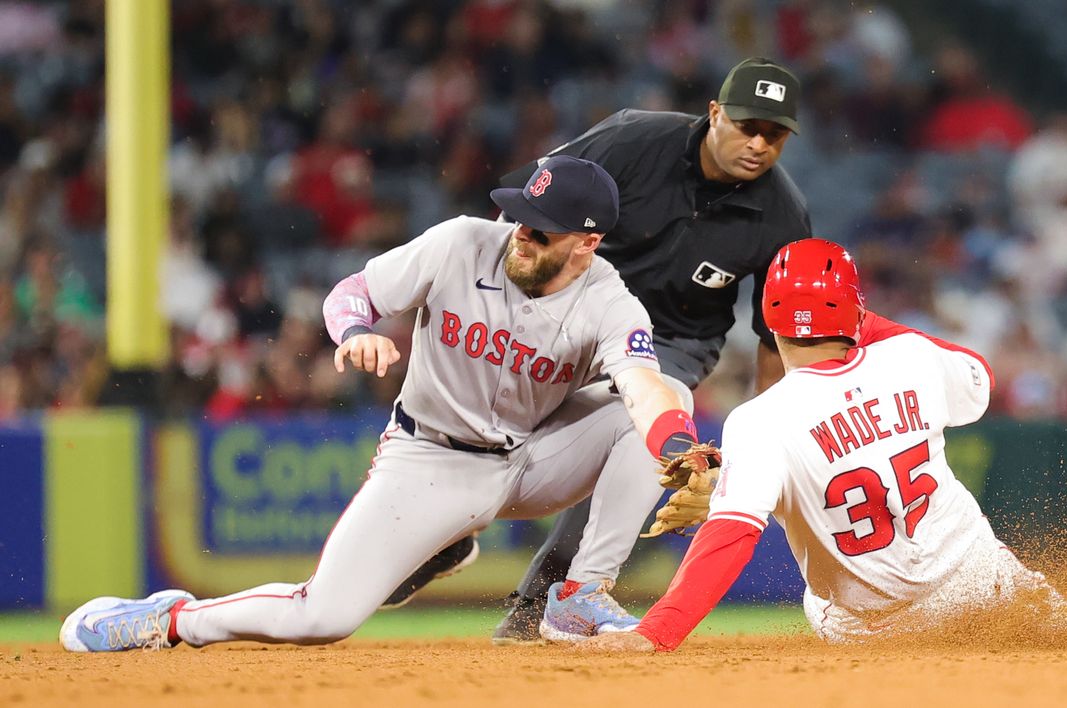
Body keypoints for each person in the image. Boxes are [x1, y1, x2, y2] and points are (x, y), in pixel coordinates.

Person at [58, 156, 707, 652]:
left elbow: (644, 386)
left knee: (669, 393)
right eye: (520, 220)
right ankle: (170, 618)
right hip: (429, 458)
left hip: (533, 457)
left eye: (542, 233)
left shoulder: (608, 299)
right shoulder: (461, 245)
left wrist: (677, 447)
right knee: (321, 618)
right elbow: (352, 292)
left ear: (587, 245)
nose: (521, 237)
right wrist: (357, 332)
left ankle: (581, 594)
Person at [381, 57, 814, 644]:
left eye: (775, 133)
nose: (759, 143)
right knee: (478, 390)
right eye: (747, 125)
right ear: (714, 113)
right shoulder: (633, 140)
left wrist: (772, 428)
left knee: (648, 420)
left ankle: (546, 604)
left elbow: (775, 337)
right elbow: (528, 209)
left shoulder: (783, 216)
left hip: (671, 342)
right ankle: (443, 525)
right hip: (567, 310)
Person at [579, 239, 1067, 652]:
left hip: (874, 632)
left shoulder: (757, 420)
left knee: (799, 530)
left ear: (769, 318)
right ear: (853, 310)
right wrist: (865, 322)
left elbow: (728, 539)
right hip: (984, 586)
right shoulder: (911, 356)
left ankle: (748, 493)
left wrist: (657, 632)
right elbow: (978, 379)